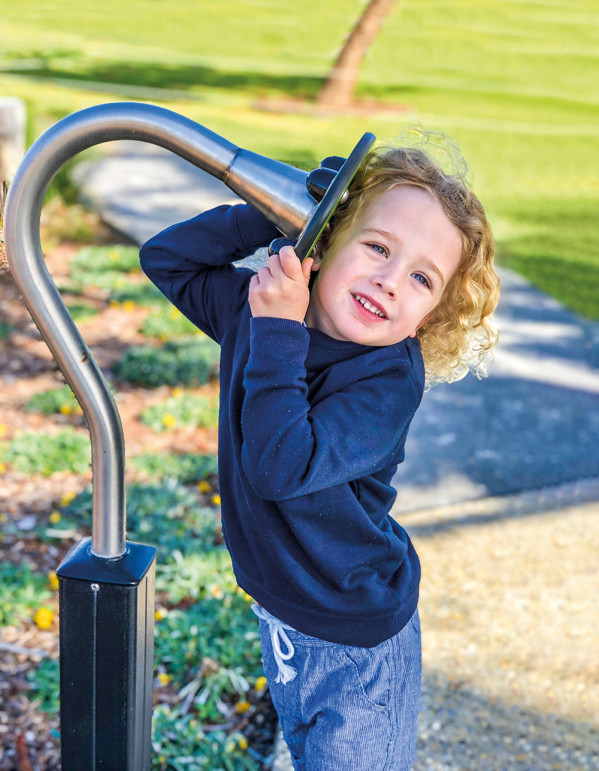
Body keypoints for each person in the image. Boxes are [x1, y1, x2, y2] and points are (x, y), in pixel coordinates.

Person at [140, 139, 500, 770]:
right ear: (328, 240)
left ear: (429, 316)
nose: (390, 280)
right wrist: (272, 217)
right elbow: (167, 259)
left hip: (355, 642)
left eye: (422, 278)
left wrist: (276, 329)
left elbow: (283, 467)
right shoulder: (258, 310)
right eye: (378, 247)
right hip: (287, 617)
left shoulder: (387, 379)